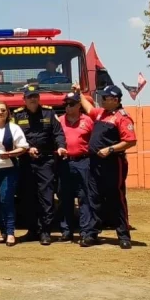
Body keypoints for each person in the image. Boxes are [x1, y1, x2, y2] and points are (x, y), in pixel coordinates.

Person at [74, 84, 137, 249]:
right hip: (94, 163)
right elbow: (88, 108)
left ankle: (123, 235)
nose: (101, 100)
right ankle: (92, 233)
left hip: (113, 163)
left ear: (115, 100)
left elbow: (131, 141)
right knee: (94, 198)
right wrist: (79, 93)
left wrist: (110, 149)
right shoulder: (101, 113)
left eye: (105, 97)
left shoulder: (122, 117)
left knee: (116, 198)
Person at [12, 87, 67, 245]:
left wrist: (61, 146)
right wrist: (27, 148)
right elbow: (13, 137)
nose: (33, 99)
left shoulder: (49, 114)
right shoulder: (17, 115)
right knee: (27, 197)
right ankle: (32, 230)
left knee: (46, 197)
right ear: (24, 99)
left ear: (39, 98)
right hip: (26, 162)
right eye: (30, 97)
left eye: (35, 96)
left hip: (45, 161)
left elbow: (58, 133)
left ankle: (45, 231)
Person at [0, 102, 28, 246]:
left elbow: (23, 147)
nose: (0, 113)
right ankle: (2, 232)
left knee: (6, 199)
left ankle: (10, 233)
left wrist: (9, 154)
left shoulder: (14, 128)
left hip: (9, 169)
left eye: (3, 110)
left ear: (8, 112)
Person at [57, 92, 97, 244]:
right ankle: (66, 231)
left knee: (84, 197)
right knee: (64, 197)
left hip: (83, 162)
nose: (68, 107)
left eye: (71, 104)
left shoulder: (88, 121)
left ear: (79, 105)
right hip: (64, 162)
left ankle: (85, 231)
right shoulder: (59, 121)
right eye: (66, 104)